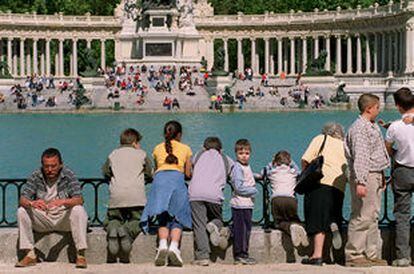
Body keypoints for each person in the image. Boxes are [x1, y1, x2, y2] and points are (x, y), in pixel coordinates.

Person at [16, 148, 88, 268]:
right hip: (44, 218)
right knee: (22, 211)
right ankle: (30, 255)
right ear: (42, 165)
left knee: (78, 210)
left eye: (53, 166)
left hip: (63, 218)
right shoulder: (36, 176)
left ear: (60, 165)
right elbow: (22, 199)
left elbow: (79, 199)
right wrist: (32, 203)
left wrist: (63, 201)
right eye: (46, 166)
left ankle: (80, 255)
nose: (50, 170)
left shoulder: (68, 175)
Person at [344, 94, 390, 267]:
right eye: (378, 107)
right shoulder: (360, 129)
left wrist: (381, 175)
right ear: (369, 108)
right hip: (367, 175)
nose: (379, 110)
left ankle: (370, 253)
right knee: (362, 215)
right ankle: (354, 254)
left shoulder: (369, 126)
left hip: (375, 174)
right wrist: (361, 181)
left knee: (373, 216)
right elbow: (361, 157)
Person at [140, 121, 192, 267]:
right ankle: (174, 247)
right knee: (178, 217)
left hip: (160, 181)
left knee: (162, 216)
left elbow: (157, 169)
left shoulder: (157, 148)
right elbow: (188, 173)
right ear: (180, 134)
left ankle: (162, 245)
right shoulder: (186, 149)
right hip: (177, 181)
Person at [301, 123, 348, 266]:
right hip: (339, 185)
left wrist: (306, 177)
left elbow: (306, 159)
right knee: (331, 215)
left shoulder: (321, 138)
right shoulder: (344, 145)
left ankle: (317, 255)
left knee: (317, 218)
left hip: (320, 181)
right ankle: (333, 229)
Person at [102, 128, 152, 261]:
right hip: (137, 196)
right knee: (139, 220)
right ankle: (127, 232)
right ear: (135, 142)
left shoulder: (113, 154)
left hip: (117, 196)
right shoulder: (142, 154)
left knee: (113, 219)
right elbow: (149, 173)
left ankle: (113, 228)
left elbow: (106, 172)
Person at [188, 137, 233, 266]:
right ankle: (214, 224)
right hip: (214, 195)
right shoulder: (225, 158)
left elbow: (191, 168)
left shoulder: (198, 154)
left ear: (204, 147)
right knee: (218, 219)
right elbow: (232, 173)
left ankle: (202, 256)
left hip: (195, 194)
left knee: (199, 225)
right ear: (221, 149)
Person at [384, 88, 414, 267]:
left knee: (402, 216)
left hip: (402, 170)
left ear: (397, 106)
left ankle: (403, 256)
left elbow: (387, 147)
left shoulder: (395, 126)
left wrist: (395, 154)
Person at [258, 151, 308, 248]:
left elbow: (262, 173)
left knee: (278, 223)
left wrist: (271, 163)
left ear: (275, 162)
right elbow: (299, 171)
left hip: (277, 200)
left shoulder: (272, 172)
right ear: (289, 162)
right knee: (295, 219)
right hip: (291, 200)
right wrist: (291, 163)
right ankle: (299, 228)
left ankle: (290, 228)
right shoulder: (293, 172)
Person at [230, 139, 258, 265]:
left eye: (246, 153)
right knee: (241, 231)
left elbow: (248, 176)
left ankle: (244, 253)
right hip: (240, 204)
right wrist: (253, 191)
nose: (244, 156)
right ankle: (240, 254)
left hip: (247, 204)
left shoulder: (246, 167)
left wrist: (257, 176)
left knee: (246, 230)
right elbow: (238, 187)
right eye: (241, 153)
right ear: (236, 154)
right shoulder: (237, 167)